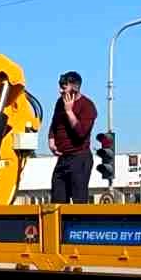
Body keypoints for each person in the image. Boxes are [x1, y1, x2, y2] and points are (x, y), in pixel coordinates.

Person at [48, 71, 97, 204]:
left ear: (74, 87)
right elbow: (54, 123)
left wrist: (69, 111)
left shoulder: (88, 106)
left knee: (78, 201)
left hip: (79, 158)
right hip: (63, 158)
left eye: (64, 88)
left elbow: (81, 133)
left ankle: (78, 224)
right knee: (57, 200)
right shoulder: (59, 103)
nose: (60, 91)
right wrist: (51, 140)